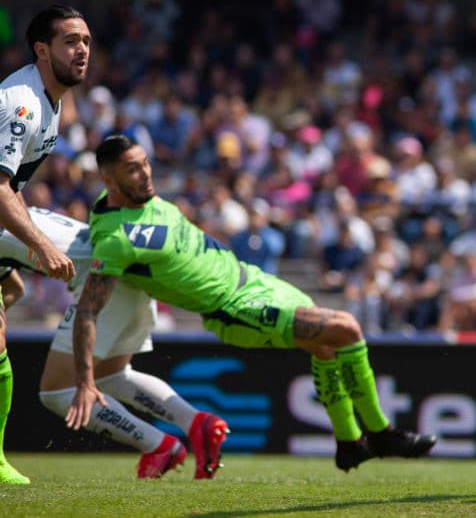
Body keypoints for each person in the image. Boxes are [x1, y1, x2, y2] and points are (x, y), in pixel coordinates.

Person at [66, 135, 436, 475]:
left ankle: (348, 442)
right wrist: (85, 380)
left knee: (325, 345)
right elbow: (88, 310)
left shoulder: (141, 198)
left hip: (252, 279)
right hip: (235, 307)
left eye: (145, 162)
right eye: (133, 169)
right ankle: (382, 433)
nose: (146, 173)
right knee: (346, 329)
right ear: (109, 181)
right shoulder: (115, 239)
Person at [0, 206, 229, 479]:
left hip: (101, 281)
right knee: (112, 375)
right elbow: (14, 287)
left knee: (58, 392)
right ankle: (197, 423)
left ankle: (159, 445)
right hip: (131, 273)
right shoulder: (13, 206)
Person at [0, 5, 92, 484]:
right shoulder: (22, 103)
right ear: (42, 49)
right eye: (71, 41)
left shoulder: (53, 101)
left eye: (87, 42)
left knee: (10, 296)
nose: (82, 51)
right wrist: (41, 246)